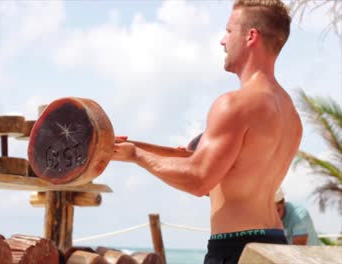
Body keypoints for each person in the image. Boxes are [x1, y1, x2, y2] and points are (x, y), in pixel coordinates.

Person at [112, 0, 303, 263]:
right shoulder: (291, 116)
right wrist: (129, 147)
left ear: (251, 36)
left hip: (236, 247)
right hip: (276, 244)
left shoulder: (234, 105)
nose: (222, 41)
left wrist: (136, 156)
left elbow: (199, 179)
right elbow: (222, 167)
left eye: (228, 30)